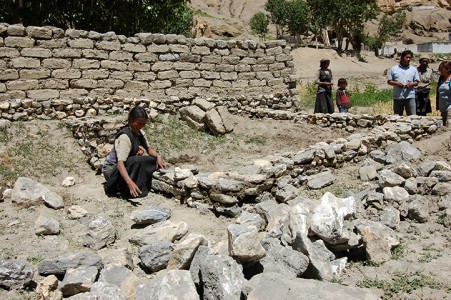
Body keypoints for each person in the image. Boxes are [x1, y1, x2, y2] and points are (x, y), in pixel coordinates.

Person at [102, 106, 168, 199]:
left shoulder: (140, 133)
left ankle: (138, 184)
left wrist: (158, 157)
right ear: (130, 120)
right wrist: (130, 183)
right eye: (138, 123)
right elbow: (120, 164)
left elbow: (149, 149)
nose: (140, 126)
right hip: (112, 170)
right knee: (137, 160)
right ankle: (122, 187)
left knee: (151, 160)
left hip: (127, 165)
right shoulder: (125, 137)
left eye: (143, 124)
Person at [387, 50, 420, 116]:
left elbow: (417, 82)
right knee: (397, 117)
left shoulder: (413, 69)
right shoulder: (394, 69)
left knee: (412, 117)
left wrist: (411, 84)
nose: (408, 59)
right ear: (402, 57)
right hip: (398, 97)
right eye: (406, 57)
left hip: (410, 96)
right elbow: (389, 81)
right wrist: (397, 83)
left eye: (410, 58)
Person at [436, 61, 451, 127]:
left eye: (442, 69)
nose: (441, 71)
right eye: (440, 69)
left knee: (449, 122)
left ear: (448, 69)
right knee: (443, 125)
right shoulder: (441, 79)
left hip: (450, 105)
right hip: (442, 106)